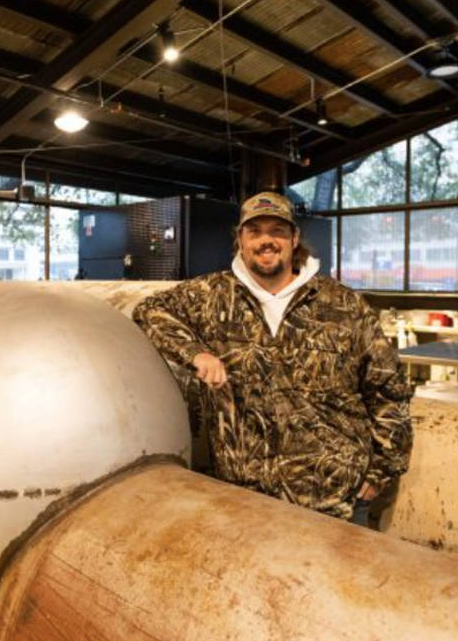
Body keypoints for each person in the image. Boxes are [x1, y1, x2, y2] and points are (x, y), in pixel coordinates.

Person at [132, 191, 412, 523]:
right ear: (240, 240)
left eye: (277, 231)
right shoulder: (211, 296)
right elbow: (148, 311)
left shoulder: (344, 305)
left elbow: (388, 391)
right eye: (255, 231)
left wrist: (381, 472)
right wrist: (197, 354)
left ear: (294, 238)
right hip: (247, 501)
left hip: (335, 502)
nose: (266, 240)